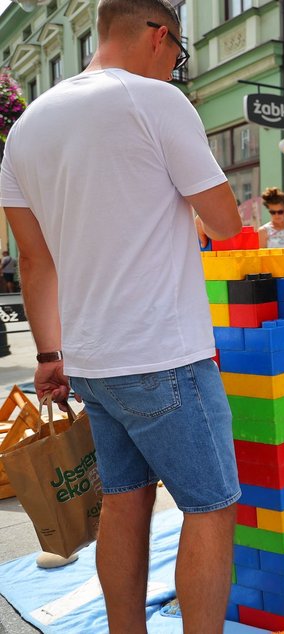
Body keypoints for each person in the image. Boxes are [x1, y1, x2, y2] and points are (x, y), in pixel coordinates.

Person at [0, 2, 243, 631]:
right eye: (179, 55)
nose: (175, 68)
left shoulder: (25, 130)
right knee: (212, 507)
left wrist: (50, 356)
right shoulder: (153, 101)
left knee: (125, 504)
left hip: (91, 362)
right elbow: (226, 222)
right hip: (163, 354)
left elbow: (35, 262)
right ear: (160, 37)